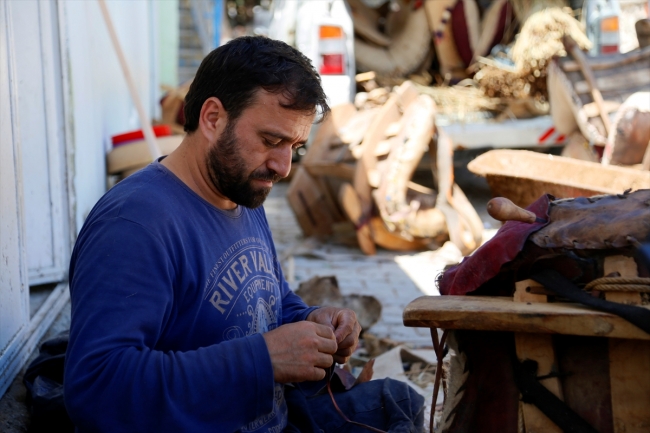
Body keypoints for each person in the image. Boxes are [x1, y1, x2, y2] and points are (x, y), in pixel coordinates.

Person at [64, 36, 424, 432]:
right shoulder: (135, 226)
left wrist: (312, 322)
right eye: (271, 141)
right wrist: (263, 361)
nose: (284, 166)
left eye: (295, 146)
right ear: (213, 118)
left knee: (401, 404)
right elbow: (97, 389)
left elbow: (267, 301)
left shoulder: (239, 193)